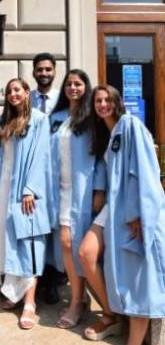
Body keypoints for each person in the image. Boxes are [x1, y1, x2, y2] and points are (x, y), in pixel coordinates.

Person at [80, 84, 165, 345]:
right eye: (97, 101)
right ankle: (113, 313)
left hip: (133, 212)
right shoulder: (109, 133)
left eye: (107, 100)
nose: (102, 104)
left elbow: (147, 171)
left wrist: (138, 214)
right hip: (114, 211)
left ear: (116, 102)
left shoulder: (131, 126)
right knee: (86, 252)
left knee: (138, 273)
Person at [0, 78, 53, 330]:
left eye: (17, 90)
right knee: (10, 244)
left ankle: (30, 302)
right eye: (9, 91)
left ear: (27, 93)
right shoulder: (6, 121)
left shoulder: (38, 119)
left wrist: (31, 189)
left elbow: (42, 155)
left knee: (29, 243)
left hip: (26, 191)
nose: (13, 94)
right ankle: (15, 293)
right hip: (5, 188)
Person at [50, 69, 106, 329]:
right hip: (59, 190)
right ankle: (79, 297)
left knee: (74, 243)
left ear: (86, 87)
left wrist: (99, 188)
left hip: (82, 191)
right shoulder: (57, 117)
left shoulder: (92, 118)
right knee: (64, 244)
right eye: (70, 84)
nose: (73, 88)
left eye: (78, 84)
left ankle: (76, 302)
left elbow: (100, 155)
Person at [31, 52, 62, 304]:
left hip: (58, 175)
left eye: (48, 69)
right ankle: (35, 279)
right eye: (40, 69)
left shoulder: (63, 100)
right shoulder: (26, 99)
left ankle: (52, 280)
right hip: (33, 173)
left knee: (53, 229)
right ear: (34, 72)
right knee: (35, 227)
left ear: (54, 71)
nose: (44, 73)